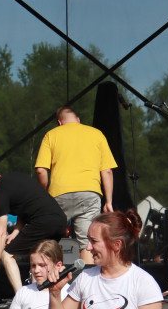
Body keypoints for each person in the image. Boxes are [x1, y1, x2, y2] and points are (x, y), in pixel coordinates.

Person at [34, 106, 117, 265]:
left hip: (58, 194)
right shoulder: (96, 134)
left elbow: (40, 171)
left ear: (59, 122)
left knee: (49, 243)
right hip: (89, 194)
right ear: (78, 120)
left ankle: (45, 285)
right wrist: (108, 202)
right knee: (87, 244)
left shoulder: (51, 135)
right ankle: (86, 288)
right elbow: (107, 171)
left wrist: (44, 194)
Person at [0, 160, 67, 294]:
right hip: (60, 221)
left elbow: (1, 233)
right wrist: (16, 231)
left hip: (43, 222)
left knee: (7, 254)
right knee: (38, 257)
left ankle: (21, 297)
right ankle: (42, 296)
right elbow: (26, 206)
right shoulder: (16, 177)